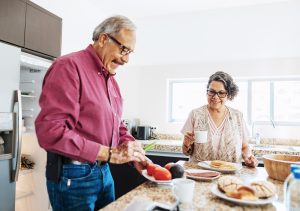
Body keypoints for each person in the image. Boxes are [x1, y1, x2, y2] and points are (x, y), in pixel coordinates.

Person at [35, 15, 148, 211]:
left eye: (130, 52)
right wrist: (109, 153)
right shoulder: (68, 67)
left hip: (104, 171)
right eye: (124, 49)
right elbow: (51, 131)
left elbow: (116, 124)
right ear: (104, 39)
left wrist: (133, 150)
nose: (126, 59)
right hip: (74, 174)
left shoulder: (111, 80)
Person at [181, 71, 258, 167]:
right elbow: (186, 152)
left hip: (230, 174)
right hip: (200, 173)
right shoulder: (195, 114)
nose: (215, 97)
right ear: (207, 91)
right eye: (212, 91)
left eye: (221, 93)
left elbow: (245, 147)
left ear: (228, 95)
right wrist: (186, 145)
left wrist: (248, 157)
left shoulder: (237, 116)